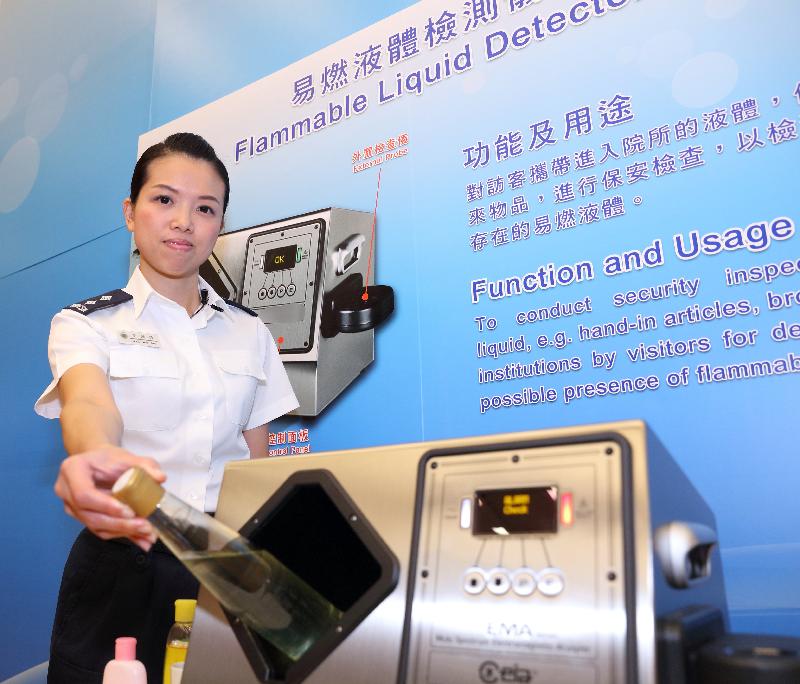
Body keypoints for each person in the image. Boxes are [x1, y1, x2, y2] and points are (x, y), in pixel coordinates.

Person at [34, 132, 299, 683]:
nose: (184, 221)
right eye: (164, 200)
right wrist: (99, 459)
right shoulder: (86, 323)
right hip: (122, 560)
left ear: (218, 227)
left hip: (225, 564)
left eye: (205, 208)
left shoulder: (250, 334)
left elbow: (257, 464)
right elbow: (88, 402)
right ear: (130, 213)